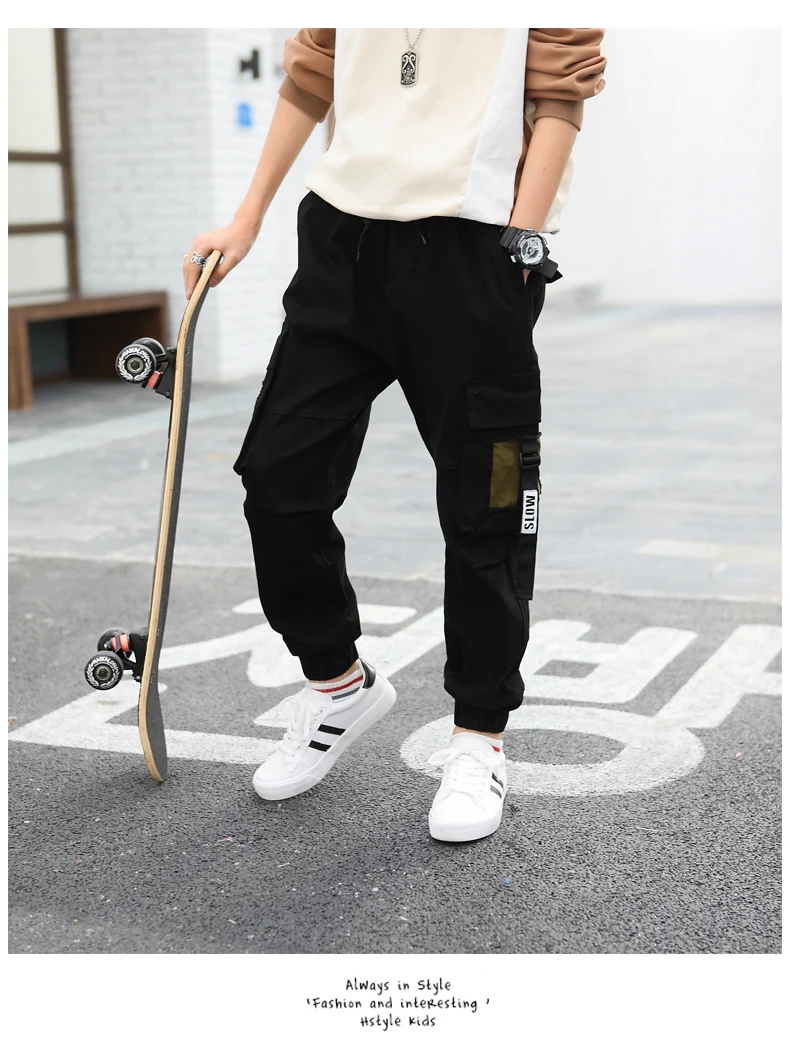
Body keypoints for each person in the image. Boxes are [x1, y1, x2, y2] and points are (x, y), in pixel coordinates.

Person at [184, 28, 606, 842]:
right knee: (277, 473)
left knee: (492, 503)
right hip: (341, 243)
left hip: (475, 251)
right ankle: (338, 684)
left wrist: (521, 238)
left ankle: (478, 737)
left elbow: (560, 93)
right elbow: (311, 78)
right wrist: (245, 218)